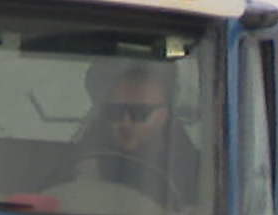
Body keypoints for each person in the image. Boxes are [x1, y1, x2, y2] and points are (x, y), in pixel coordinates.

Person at [72, 63, 198, 207]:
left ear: (164, 115)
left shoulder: (195, 172)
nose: (126, 123)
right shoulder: (82, 155)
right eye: (116, 111)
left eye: (140, 113)